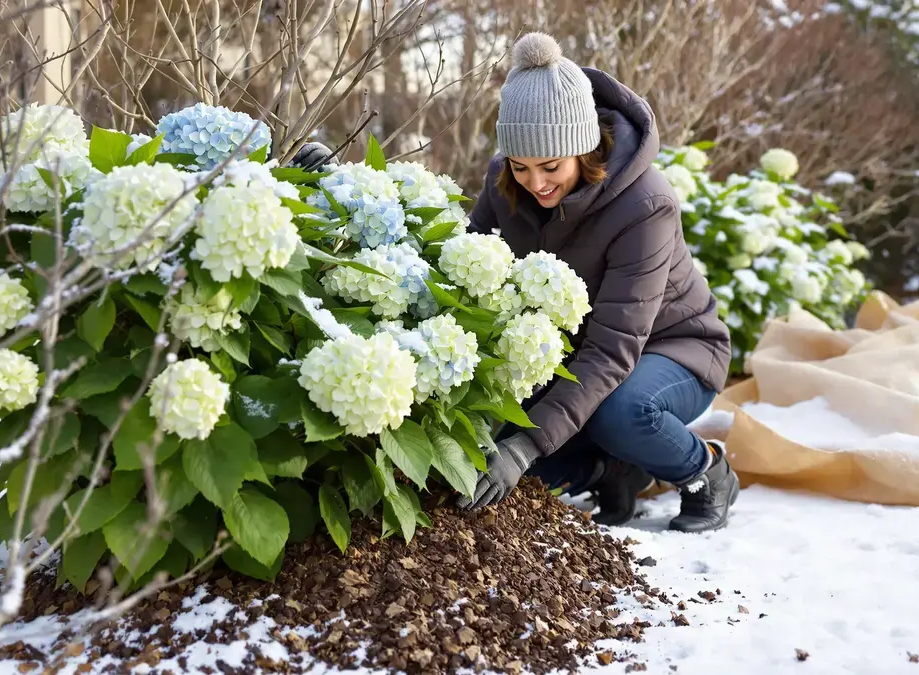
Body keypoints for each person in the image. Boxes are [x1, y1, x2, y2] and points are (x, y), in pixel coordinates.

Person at [292, 32, 737, 532]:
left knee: (616, 413)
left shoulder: (645, 205)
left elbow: (614, 349)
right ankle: (608, 467)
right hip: (569, 358)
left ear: (585, 150)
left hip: (671, 350)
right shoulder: (504, 183)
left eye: (551, 167)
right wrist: (341, 188)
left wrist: (525, 445)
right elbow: (450, 267)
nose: (537, 183)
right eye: (521, 167)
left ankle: (706, 472)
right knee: (504, 471)